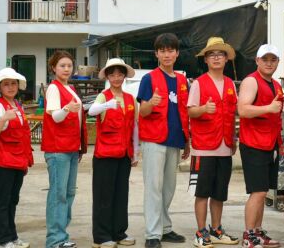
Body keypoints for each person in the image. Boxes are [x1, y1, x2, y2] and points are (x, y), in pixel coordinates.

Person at [137, 33, 190, 248]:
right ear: (156, 53)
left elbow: (183, 112)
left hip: (175, 139)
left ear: (177, 53)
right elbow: (143, 111)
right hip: (154, 139)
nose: (166, 54)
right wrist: (151, 101)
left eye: (170, 50)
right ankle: (152, 233)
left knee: (168, 188)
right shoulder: (149, 79)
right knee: (153, 187)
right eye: (162, 50)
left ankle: (165, 228)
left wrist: (186, 140)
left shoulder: (181, 80)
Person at [187, 37, 240, 248]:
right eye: (212, 54)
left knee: (219, 192)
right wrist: (203, 109)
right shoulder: (199, 83)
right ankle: (201, 232)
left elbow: (233, 114)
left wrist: (234, 139)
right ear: (206, 60)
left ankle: (216, 229)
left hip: (225, 146)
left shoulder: (230, 84)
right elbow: (190, 111)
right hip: (204, 146)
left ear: (226, 58)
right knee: (202, 192)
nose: (216, 57)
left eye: (220, 54)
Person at [88, 58, 139, 248]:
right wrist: (107, 105)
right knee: (104, 195)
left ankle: (119, 232)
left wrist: (135, 152)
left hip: (124, 154)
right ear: (107, 77)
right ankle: (101, 236)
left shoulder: (130, 99)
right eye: (112, 74)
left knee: (121, 194)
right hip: (105, 155)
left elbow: (135, 126)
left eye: (120, 74)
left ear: (124, 76)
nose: (116, 78)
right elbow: (92, 111)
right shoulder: (103, 96)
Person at [237, 43, 284, 248]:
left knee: (263, 192)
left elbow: (276, 119)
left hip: (270, 144)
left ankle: (257, 231)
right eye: (265, 59)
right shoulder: (251, 81)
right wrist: (269, 108)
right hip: (254, 143)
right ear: (257, 61)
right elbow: (243, 110)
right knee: (257, 192)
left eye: (273, 59)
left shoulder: (275, 84)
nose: (269, 63)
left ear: (278, 63)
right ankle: (249, 236)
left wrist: (280, 144)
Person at [42, 50, 88, 248]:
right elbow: (55, 117)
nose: (66, 69)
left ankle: (61, 235)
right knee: (58, 194)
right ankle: (54, 239)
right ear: (53, 68)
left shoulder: (69, 88)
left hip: (70, 147)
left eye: (69, 65)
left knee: (68, 193)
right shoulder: (54, 89)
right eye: (62, 65)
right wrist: (68, 108)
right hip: (58, 148)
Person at [0, 68, 34, 248]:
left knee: (12, 201)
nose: (11, 87)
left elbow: (22, 135)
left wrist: (25, 161)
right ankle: (3, 240)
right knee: (3, 202)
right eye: (6, 84)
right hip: (2, 161)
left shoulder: (17, 105)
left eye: (13, 83)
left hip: (17, 161)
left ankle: (12, 236)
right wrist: (3, 119)